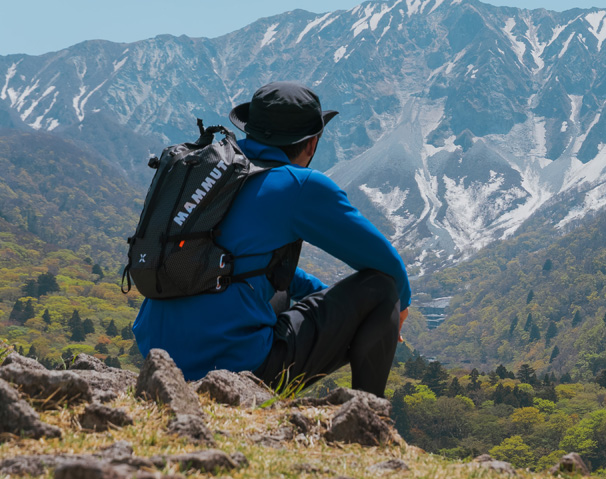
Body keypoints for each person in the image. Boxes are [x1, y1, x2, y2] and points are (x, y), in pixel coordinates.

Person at [133, 81, 411, 397]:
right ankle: (367, 422)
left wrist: (327, 297)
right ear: (312, 144)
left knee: (271, 287)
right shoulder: (299, 185)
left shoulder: (218, 173)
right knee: (382, 289)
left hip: (163, 362)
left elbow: (240, 263)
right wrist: (397, 310)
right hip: (238, 369)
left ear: (251, 130)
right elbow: (390, 267)